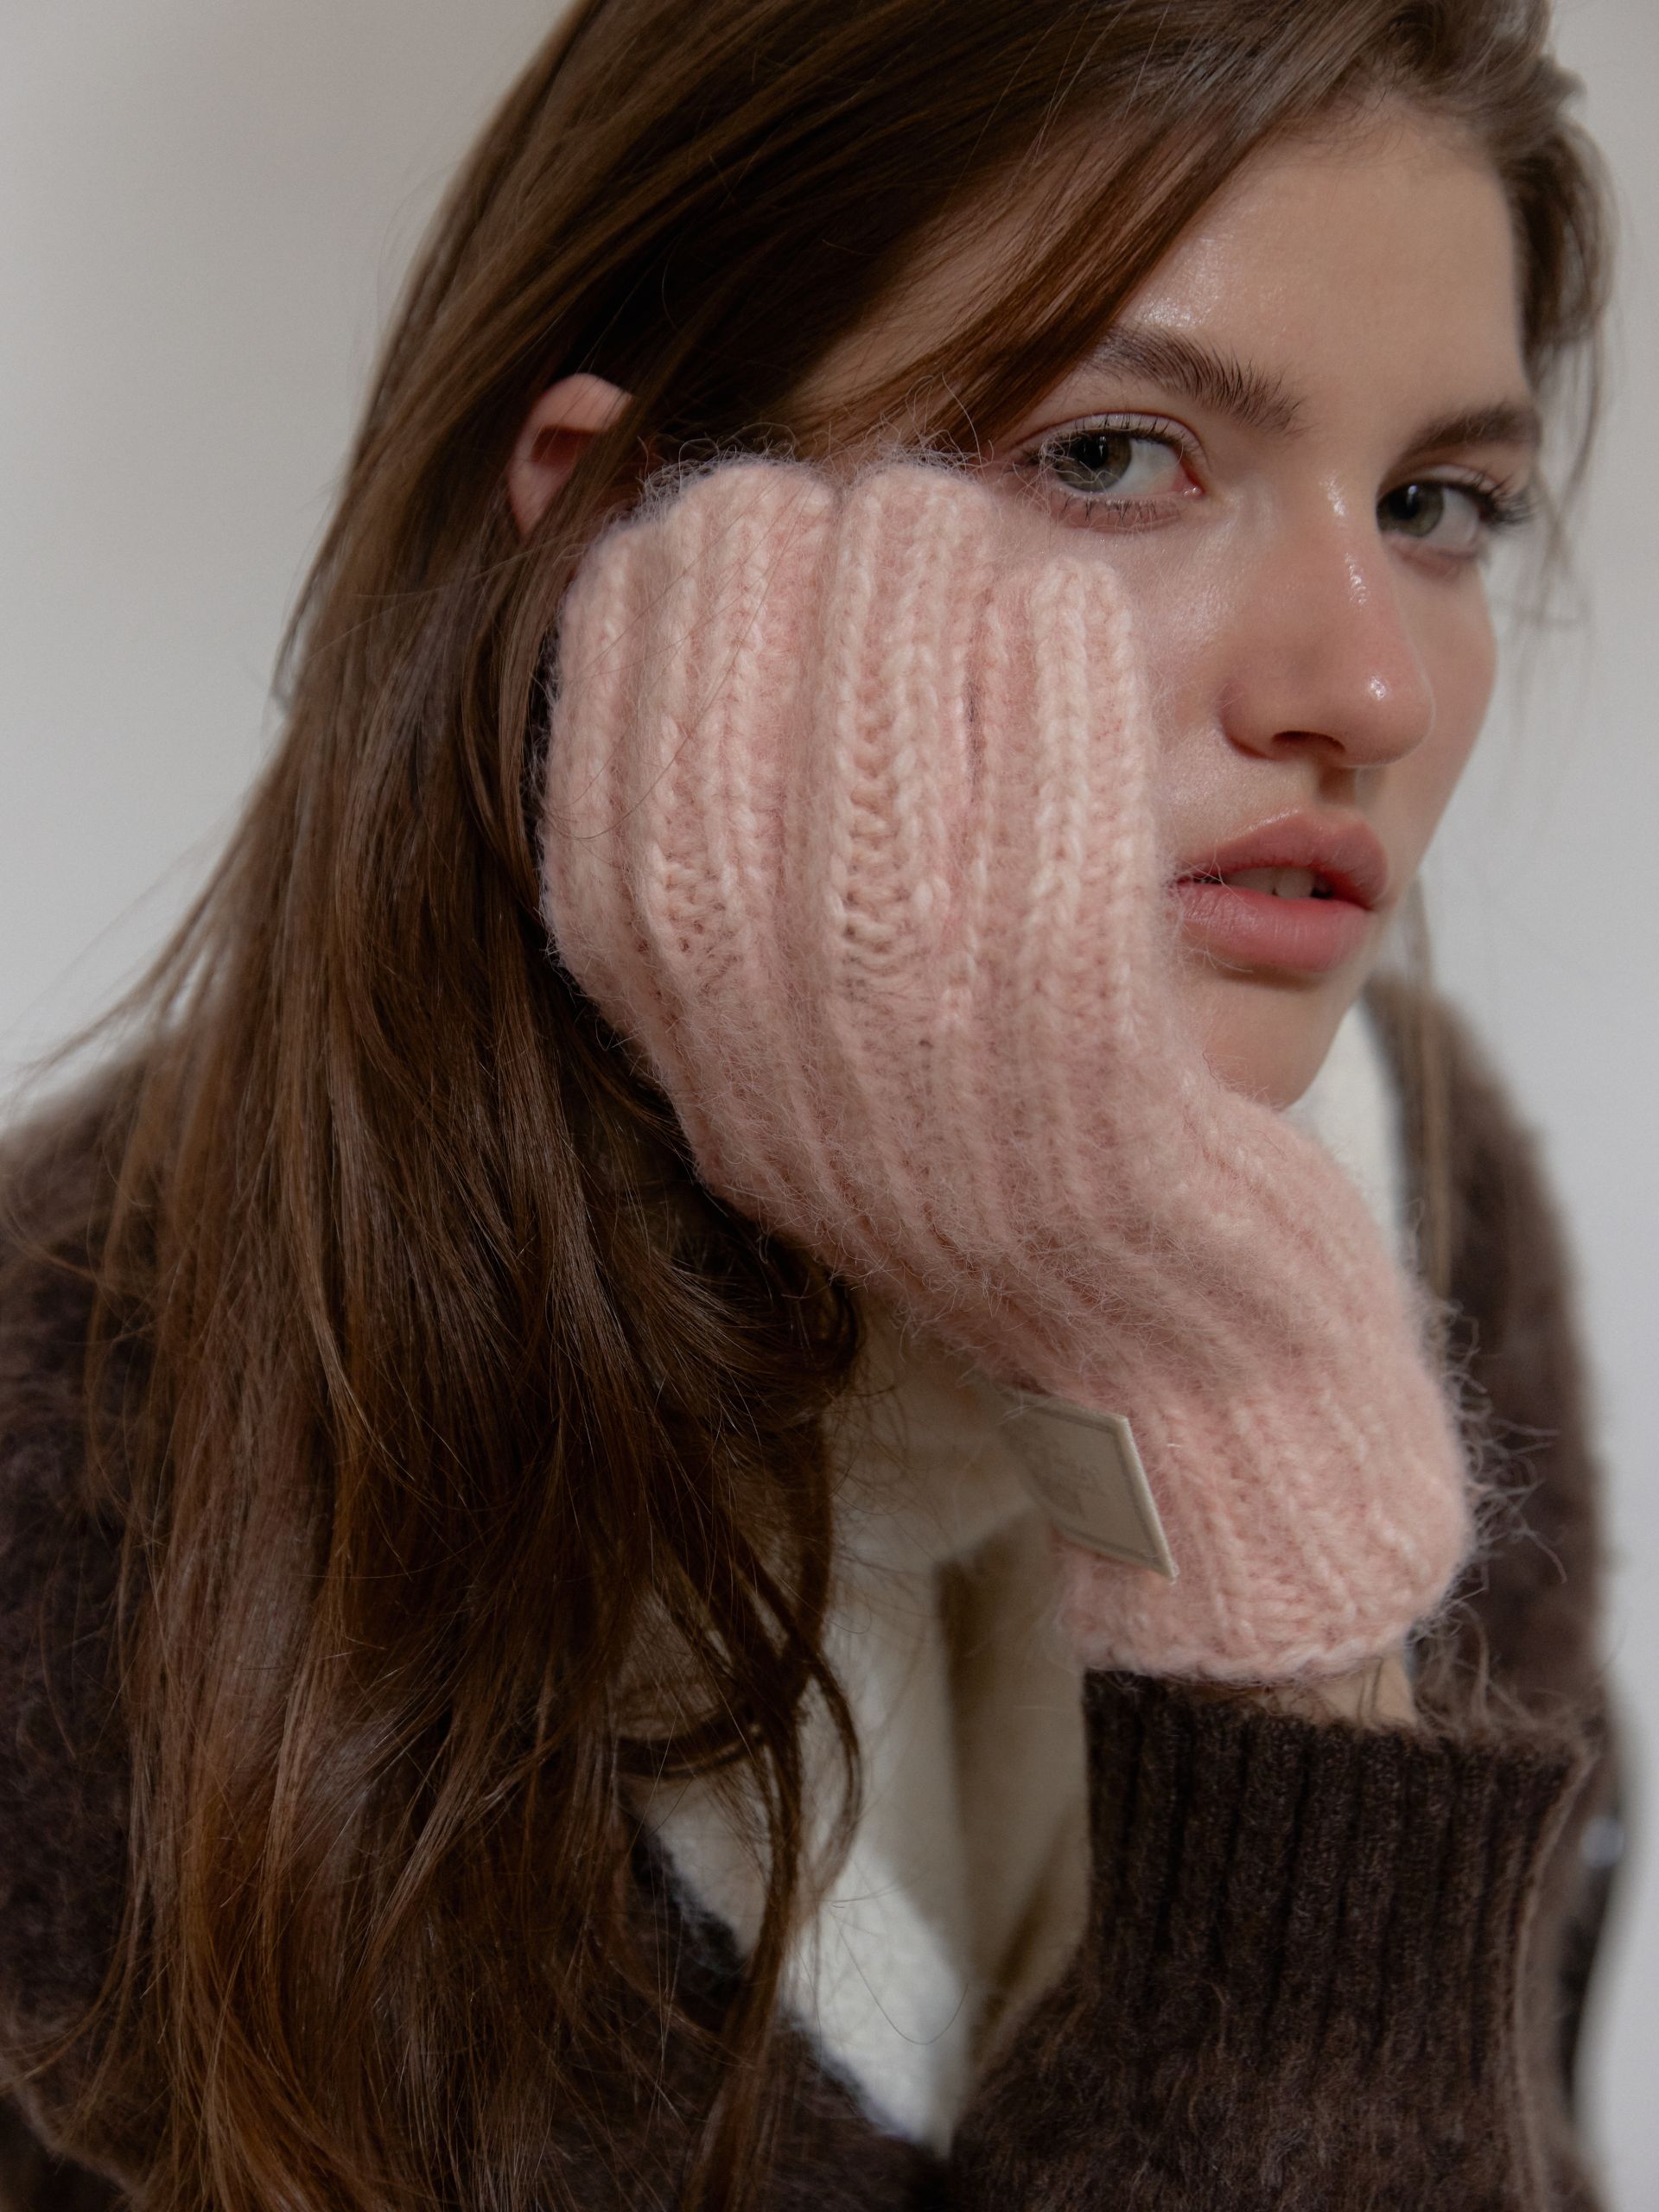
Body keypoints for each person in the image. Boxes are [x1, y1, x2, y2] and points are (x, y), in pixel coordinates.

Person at [0, 0, 1625, 2206]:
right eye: (1113, 457)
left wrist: (1252, 1469)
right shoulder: (85, 1458)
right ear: (613, 539)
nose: (1367, 681)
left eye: (1438, 505)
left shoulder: (1407, 1196)